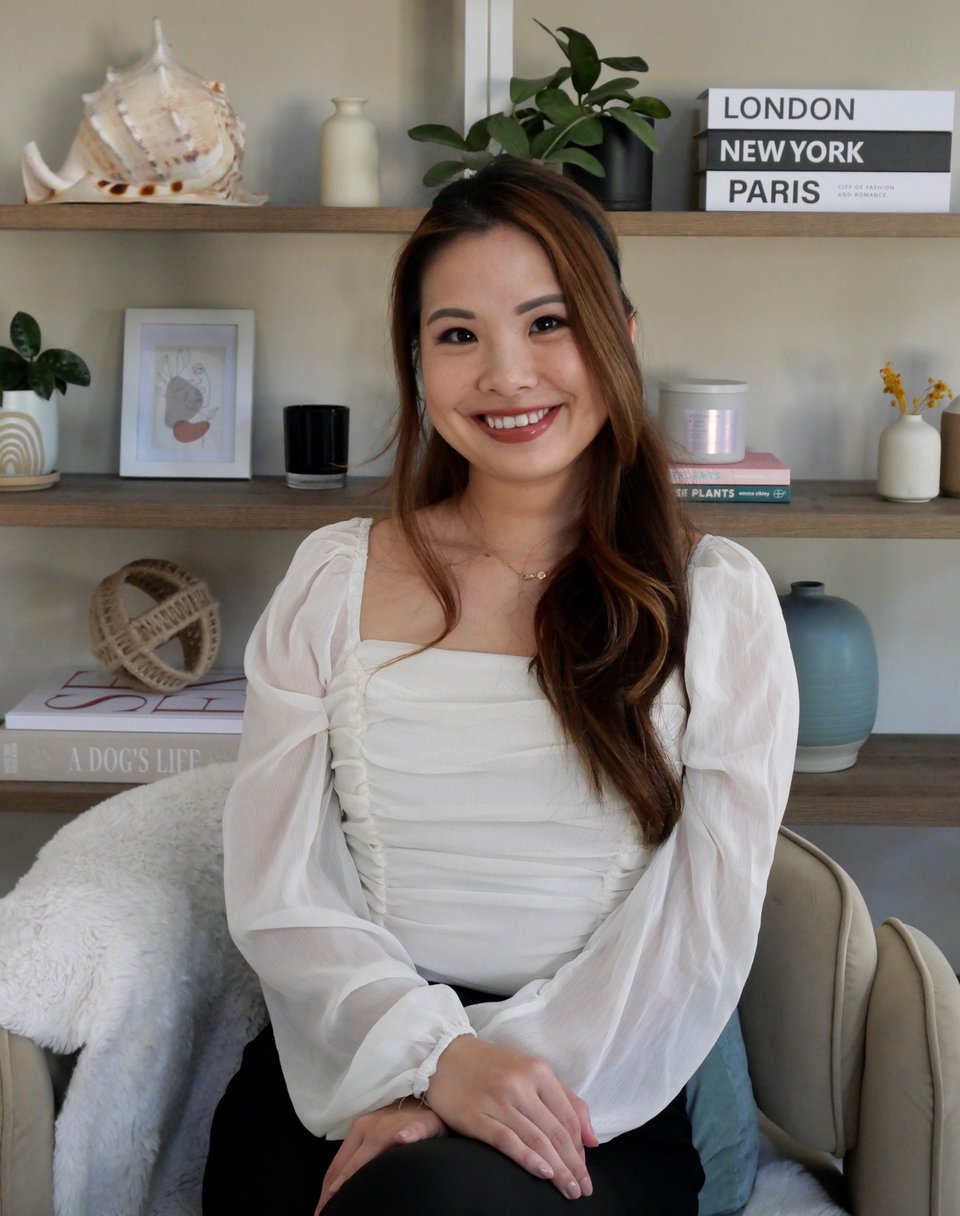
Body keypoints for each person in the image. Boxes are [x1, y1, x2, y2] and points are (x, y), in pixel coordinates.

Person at [202, 158, 799, 1216]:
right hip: (346, 1066)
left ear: (620, 333)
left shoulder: (718, 602)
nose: (507, 375)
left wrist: (479, 1080)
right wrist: (429, 1060)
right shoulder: (332, 580)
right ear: (417, 362)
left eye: (547, 322)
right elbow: (280, 888)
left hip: (597, 1085)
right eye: (458, 335)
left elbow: (699, 927)